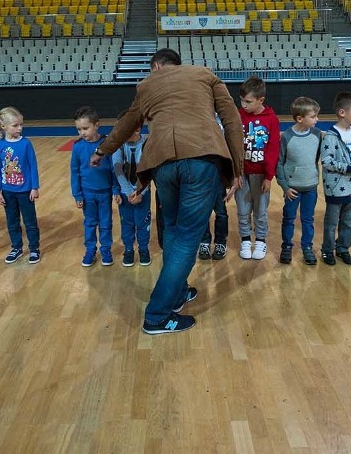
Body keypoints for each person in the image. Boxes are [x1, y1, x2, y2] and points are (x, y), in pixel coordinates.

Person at [90, 48, 244, 335]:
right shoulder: (205, 75)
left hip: (161, 163)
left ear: (157, 67)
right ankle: (157, 315)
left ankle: (178, 293)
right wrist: (238, 169)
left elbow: (128, 122)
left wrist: (102, 150)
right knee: (187, 236)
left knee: (173, 231)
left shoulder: (148, 84)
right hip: (202, 158)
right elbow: (232, 121)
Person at [320, 92, 351, 266]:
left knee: (348, 222)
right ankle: (327, 250)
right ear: (342, 112)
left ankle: (343, 248)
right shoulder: (331, 136)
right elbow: (326, 161)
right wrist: (350, 169)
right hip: (335, 186)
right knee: (332, 222)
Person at [236, 76, 281, 261]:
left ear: (261, 100)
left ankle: (260, 240)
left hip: (261, 174)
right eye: (241, 100)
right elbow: (233, 145)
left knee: (260, 211)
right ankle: (246, 239)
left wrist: (269, 176)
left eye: (248, 101)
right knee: (242, 210)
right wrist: (235, 172)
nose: (244, 105)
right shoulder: (238, 115)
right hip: (242, 174)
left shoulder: (271, 119)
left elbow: (272, 149)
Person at [72, 106, 121, 267]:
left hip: (105, 192)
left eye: (85, 128)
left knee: (106, 223)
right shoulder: (77, 146)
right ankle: (90, 250)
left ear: (96, 125)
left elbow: (115, 168)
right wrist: (77, 194)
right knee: (90, 223)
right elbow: (74, 171)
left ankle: (106, 249)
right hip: (87, 193)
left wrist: (115, 189)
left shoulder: (107, 145)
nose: (82, 133)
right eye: (79, 129)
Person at [0, 106, 41, 265]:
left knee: (30, 221)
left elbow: (33, 165)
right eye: (15, 125)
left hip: (26, 191)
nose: (19, 128)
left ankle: (34, 248)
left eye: (21, 124)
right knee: (12, 221)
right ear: (4, 126)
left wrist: (35, 187)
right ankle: (17, 248)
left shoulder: (26, 144)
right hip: (7, 192)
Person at [276, 97, 323, 266]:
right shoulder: (287, 136)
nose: (317, 119)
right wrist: (285, 186)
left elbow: (316, 158)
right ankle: (287, 246)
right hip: (292, 189)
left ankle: (307, 248)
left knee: (308, 219)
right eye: (314, 116)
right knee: (288, 218)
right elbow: (279, 162)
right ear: (300, 118)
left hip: (310, 187)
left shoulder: (317, 135)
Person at [112, 110, 152, 267]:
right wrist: (128, 192)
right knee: (126, 223)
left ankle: (143, 249)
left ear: (137, 129)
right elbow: (118, 169)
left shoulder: (148, 145)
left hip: (144, 193)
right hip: (125, 194)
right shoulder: (119, 146)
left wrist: (140, 192)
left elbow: (149, 171)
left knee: (143, 223)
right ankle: (128, 249)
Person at [198, 114, 229, 262]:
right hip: (200, 174)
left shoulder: (222, 122)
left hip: (218, 174)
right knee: (202, 212)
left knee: (221, 212)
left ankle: (220, 243)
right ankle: (204, 242)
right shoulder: (196, 119)